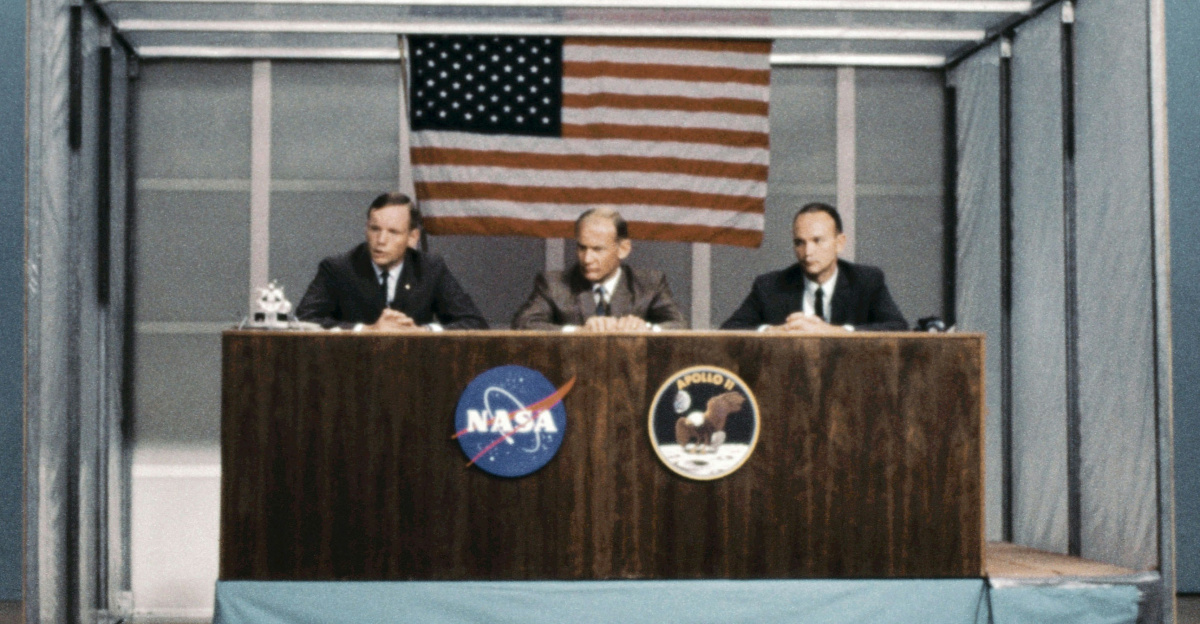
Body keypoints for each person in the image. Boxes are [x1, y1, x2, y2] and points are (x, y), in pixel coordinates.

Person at [296, 192, 487, 331]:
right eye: (375, 229)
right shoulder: (338, 269)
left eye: (393, 232)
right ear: (366, 229)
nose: (381, 241)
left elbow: (474, 323)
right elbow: (304, 321)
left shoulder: (430, 269)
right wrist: (366, 330)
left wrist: (423, 332)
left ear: (412, 237)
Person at [721, 202, 907, 332]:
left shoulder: (867, 281)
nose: (808, 252)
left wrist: (837, 332)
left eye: (817, 241)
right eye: (799, 242)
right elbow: (728, 331)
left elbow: (897, 328)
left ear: (839, 243)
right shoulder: (770, 286)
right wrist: (772, 331)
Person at [512, 207, 687, 331]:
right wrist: (579, 332)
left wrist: (646, 328)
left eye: (597, 249)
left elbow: (680, 326)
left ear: (623, 249)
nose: (587, 259)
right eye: (582, 248)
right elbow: (523, 324)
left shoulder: (650, 284)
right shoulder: (554, 284)